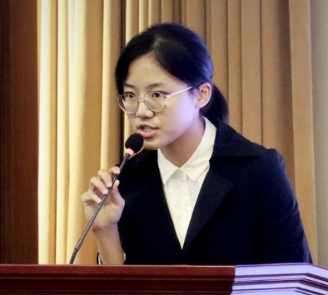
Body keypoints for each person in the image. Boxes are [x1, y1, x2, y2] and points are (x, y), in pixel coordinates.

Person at [81, 22, 312, 265]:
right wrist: (104, 230)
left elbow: (295, 275)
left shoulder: (258, 169)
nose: (141, 111)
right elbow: (123, 288)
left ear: (201, 95)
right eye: (130, 95)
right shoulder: (127, 181)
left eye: (157, 95)